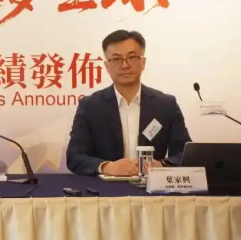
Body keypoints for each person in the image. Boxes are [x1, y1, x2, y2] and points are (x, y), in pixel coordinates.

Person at [66, 30, 192, 176]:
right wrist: (107, 167)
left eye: (132, 57)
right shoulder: (90, 106)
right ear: (107, 66)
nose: (125, 65)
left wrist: (162, 165)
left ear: (143, 62)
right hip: (105, 188)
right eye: (116, 59)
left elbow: (185, 153)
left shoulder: (166, 105)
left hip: (152, 186)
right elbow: (74, 157)